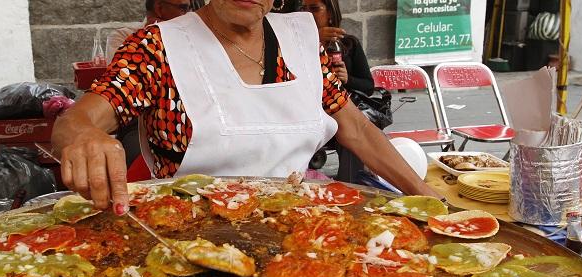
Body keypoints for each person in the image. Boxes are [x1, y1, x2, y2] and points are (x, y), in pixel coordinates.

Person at [51, 0, 440, 215]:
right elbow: (78, 119)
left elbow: (356, 128)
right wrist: (83, 134)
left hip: (295, 223)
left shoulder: (301, 41)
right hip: (186, 230)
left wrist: (424, 195)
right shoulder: (156, 48)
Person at [301, 0, 373, 95]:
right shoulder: (296, 43)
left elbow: (369, 87)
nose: (307, 15)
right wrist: (313, 39)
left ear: (330, 12)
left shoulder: (348, 43)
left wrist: (348, 79)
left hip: (343, 106)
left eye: (315, 9)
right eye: (303, 9)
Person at [105, 0, 201, 62]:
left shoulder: (191, 38)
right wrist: (153, 36)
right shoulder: (122, 37)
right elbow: (124, 80)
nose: (189, 15)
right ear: (159, 8)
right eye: (183, 9)